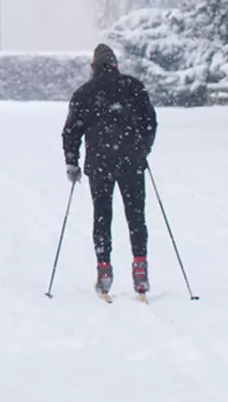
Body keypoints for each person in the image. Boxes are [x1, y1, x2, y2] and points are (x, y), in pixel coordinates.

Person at [62, 43, 158, 296]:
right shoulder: (134, 87)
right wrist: (143, 150)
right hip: (131, 161)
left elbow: (72, 130)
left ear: (93, 67)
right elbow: (151, 122)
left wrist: (72, 161)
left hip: (100, 162)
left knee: (102, 215)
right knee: (136, 215)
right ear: (116, 65)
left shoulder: (85, 92)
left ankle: (104, 269)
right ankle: (140, 268)